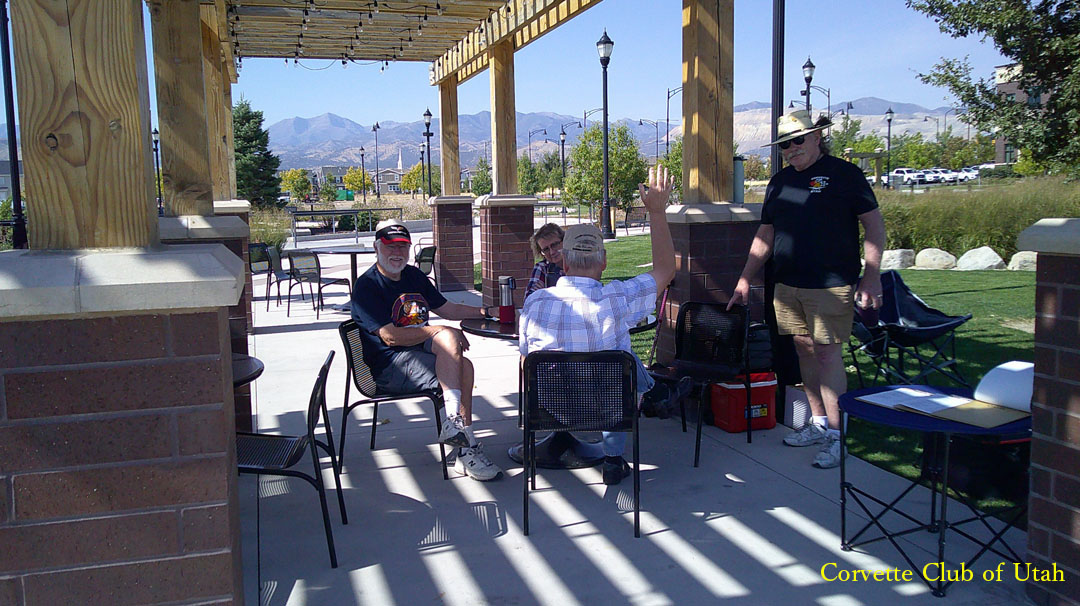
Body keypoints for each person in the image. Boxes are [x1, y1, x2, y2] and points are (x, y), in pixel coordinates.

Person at [728, 109, 886, 469]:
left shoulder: (845, 175)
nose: (791, 149)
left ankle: (837, 436)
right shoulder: (779, 182)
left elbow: (874, 226)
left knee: (828, 355)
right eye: (784, 144)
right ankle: (817, 423)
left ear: (817, 137)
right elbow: (766, 234)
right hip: (787, 283)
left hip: (830, 284)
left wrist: (872, 275)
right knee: (804, 351)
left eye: (798, 140)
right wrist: (745, 276)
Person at [519, 165, 690, 485]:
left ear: (563, 263)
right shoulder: (618, 298)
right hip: (607, 411)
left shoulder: (535, 303)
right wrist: (656, 211)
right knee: (617, 369)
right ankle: (613, 458)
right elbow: (667, 270)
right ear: (604, 261)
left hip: (550, 410)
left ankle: (644, 403)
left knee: (613, 363)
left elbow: (525, 360)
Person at [351, 220, 503, 481]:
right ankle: (463, 444)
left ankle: (457, 432)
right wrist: (439, 330)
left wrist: (487, 311)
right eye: (390, 246)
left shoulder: (413, 276)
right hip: (389, 367)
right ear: (376, 248)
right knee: (453, 349)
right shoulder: (367, 286)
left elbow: (447, 308)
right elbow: (390, 337)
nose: (397, 253)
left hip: (418, 354)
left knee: (463, 363)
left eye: (402, 246)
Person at [525, 223, 565, 299]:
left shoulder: (578, 264)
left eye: (554, 245)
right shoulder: (542, 267)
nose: (552, 252)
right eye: (546, 249)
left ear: (564, 241)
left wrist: (544, 294)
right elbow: (529, 300)